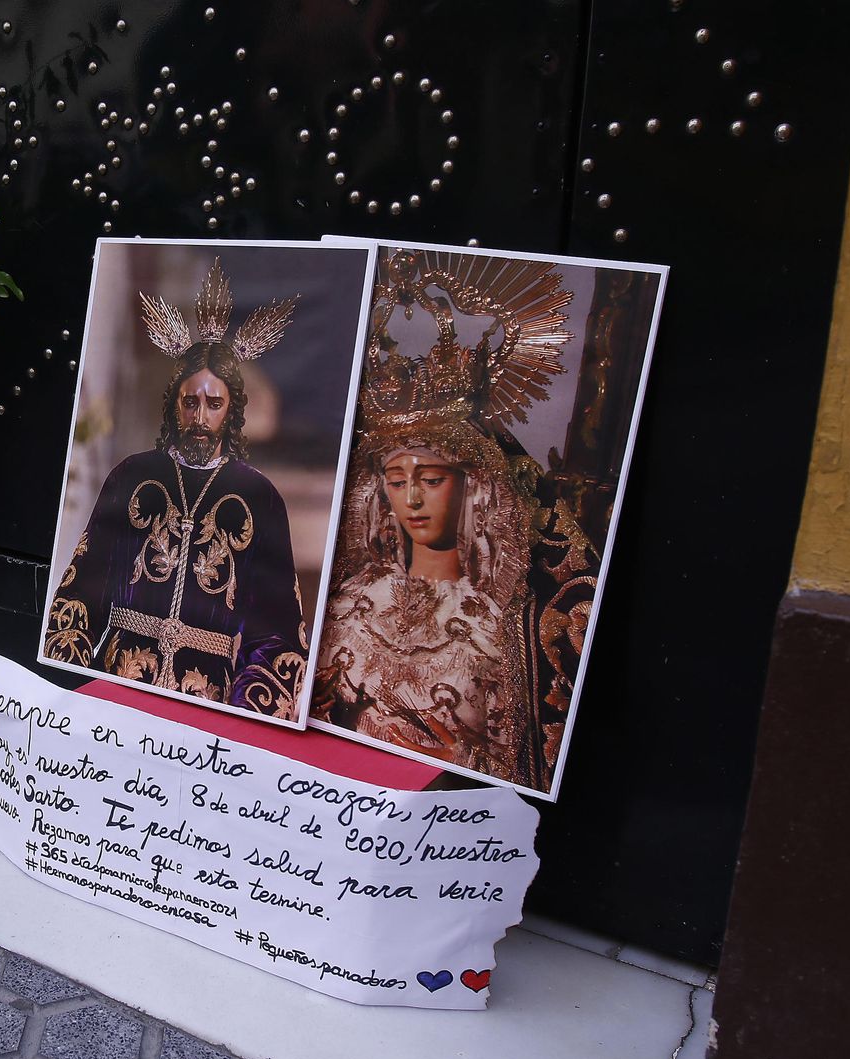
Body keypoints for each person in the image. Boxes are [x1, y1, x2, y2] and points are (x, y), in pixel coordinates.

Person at [312, 248, 598, 791]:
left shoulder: (500, 623)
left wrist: (466, 761)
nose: (413, 499)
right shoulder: (347, 601)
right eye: (397, 481)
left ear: (474, 489)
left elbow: (522, 760)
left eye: (433, 479)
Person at [43, 260, 309, 719]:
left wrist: (240, 717)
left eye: (214, 403)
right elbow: (82, 590)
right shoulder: (132, 476)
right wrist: (70, 696)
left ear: (232, 410)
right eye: (191, 402)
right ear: (174, 405)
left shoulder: (260, 498)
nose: (200, 417)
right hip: (119, 687)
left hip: (210, 707)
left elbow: (277, 635)